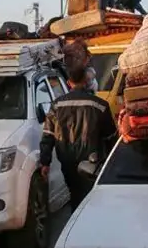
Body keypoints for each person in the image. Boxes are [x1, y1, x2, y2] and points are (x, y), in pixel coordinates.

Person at [39, 65, 118, 213]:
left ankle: (76, 224)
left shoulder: (56, 105)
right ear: (86, 80)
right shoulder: (100, 105)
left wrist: (45, 162)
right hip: (92, 162)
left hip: (67, 160)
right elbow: (111, 137)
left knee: (75, 195)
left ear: (68, 82)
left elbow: (48, 135)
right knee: (93, 198)